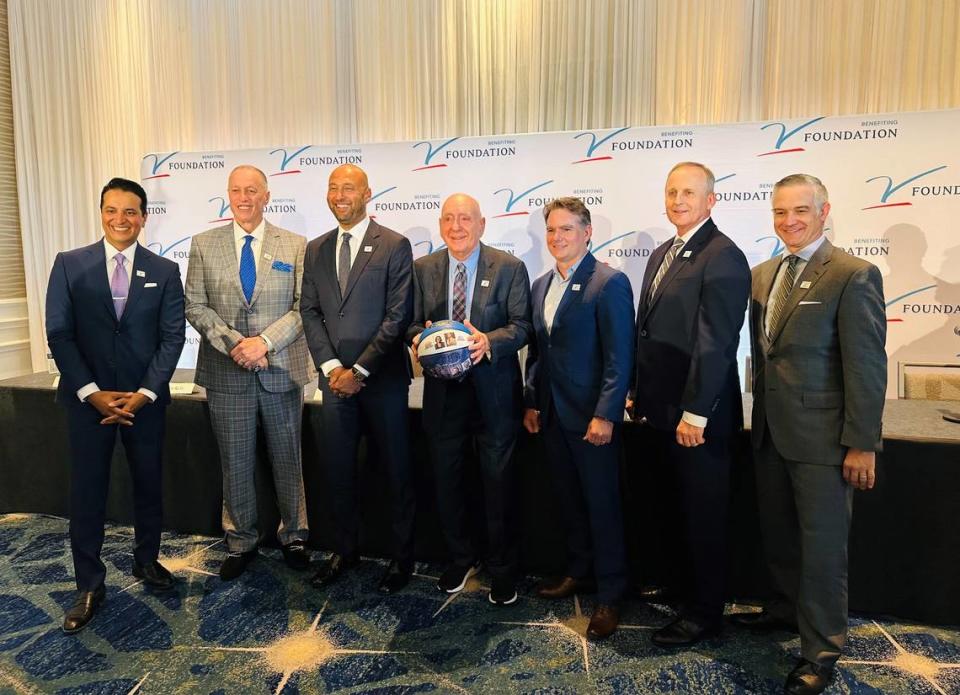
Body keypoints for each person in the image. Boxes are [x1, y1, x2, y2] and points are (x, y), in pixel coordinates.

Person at [739, 174, 886, 695]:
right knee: (780, 538)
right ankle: (782, 612)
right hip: (770, 434)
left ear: (825, 211)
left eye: (800, 210)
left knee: (823, 550)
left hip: (824, 441)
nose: (789, 221)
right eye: (780, 212)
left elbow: (866, 366)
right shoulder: (763, 274)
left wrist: (862, 442)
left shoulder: (853, 273)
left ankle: (821, 650)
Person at [46, 177, 185, 633]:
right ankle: (89, 584)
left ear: (144, 217)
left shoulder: (164, 271)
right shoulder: (70, 265)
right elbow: (60, 334)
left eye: (130, 212)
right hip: (89, 403)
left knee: (148, 486)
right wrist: (91, 391)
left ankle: (147, 561)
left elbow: (171, 338)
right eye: (112, 210)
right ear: (101, 212)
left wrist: (145, 393)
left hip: (144, 402)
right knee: (87, 494)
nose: (120, 219)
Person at [630, 162, 751, 646]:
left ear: (711, 200)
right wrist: (638, 389)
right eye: (672, 191)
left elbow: (717, 342)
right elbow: (648, 331)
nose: (678, 200)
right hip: (660, 412)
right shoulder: (663, 251)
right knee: (675, 510)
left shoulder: (722, 255)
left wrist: (696, 412)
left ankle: (704, 613)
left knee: (704, 517)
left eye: (689, 193)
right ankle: (682, 589)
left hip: (698, 418)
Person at [185, 165, 312, 580]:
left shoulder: (295, 245)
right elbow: (195, 305)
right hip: (227, 372)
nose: (244, 197)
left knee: (287, 459)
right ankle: (240, 541)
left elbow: (302, 309)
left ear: (267, 195)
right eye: (237, 190)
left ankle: (294, 536)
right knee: (235, 462)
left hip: (281, 372)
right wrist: (236, 344)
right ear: (228, 194)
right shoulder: (204, 245)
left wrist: (265, 343)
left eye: (252, 190)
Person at [407, 193, 532, 605]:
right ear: (441, 225)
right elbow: (409, 323)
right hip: (443, 397)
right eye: (448, 219)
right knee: (448, 483)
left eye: (465, 219)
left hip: (494, 397)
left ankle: (502, 569)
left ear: (482, 224)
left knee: (499, 486)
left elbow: (522, 326)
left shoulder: (510, 268)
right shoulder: (423, 269)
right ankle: (461, 559)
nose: (456, 226)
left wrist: (486, 341)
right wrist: (421, 339)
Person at [300, 164, 416, 594]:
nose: (339, 195)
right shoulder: (315, 249)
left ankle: (401, 559)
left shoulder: (395, 245)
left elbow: (398, 315)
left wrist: (360, 369)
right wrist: (333, 369)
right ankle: (344, 550)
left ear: (367, 192)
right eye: (333, 188)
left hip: (381, 380)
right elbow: (309, 312)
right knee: (339, 472)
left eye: (348, 187)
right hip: (334, 385)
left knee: (395, 473)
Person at [523, 197, 634, 638]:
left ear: (587, 233)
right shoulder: (540, 285)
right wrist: (532, 401)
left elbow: (620, 357)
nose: (557, 238)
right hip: (551, 416)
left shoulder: (608, 282)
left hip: (592, 421)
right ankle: (578, 571)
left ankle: (610, 594)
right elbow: (537, 352)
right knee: (569, 501)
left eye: (567, 229)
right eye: (551, 230)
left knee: (602, 507)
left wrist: (606, 414)